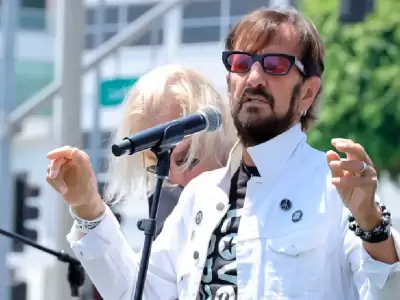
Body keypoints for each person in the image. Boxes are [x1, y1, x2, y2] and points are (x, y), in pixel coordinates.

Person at [46, 7, 400, 300]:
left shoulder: (334, 188)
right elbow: (137, 293)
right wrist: (88, 208)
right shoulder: (200, 196)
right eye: (241, 63)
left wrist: (371, 223)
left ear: (307, 93)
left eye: (275, 64)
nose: (255, 77)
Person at [101, 64, 236, 237]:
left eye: (186, 158)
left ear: (219, 134)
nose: (174, 177)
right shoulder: (167, 192)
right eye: (156, 165)